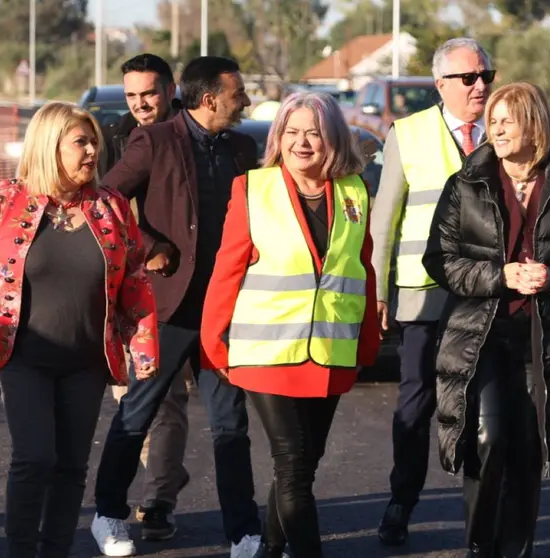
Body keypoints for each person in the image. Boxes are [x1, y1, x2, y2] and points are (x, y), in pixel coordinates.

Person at [90, 56, 263, 558]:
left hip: (224, 311)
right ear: (209, 99)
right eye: (238, 93)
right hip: (166, 310)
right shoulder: (155, 141)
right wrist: (150, 246)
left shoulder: (242, 148)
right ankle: (107, 515)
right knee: (137, 413)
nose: (246, 101)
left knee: (231, 423)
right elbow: (107, 201)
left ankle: (244, 532)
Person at [200, 91, 381, 557]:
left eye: (313, 133)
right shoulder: (252, 188)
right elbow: (228, 268)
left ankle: (269, 549)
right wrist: (213, 342)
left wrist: (367, 342)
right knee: (295, 467)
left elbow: (361, 269)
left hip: (329, 352)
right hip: (268, 352)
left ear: (333, 139)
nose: (302, 143)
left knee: (300, 468)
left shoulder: (354, 191)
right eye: (292, 132)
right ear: (278, 139)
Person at [423, 81, 550, 557]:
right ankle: (481, 546)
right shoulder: (466, 183)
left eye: (507, 121)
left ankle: (519, 549)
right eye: (492, 121)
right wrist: (499, 275)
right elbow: (439, 260)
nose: (496, 130)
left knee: (529, 445)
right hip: (481, 334)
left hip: (541, 337)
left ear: (534, 125)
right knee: (489, 438)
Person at [0, 101, 159, 558]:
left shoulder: (112, 207)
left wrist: (142, 350)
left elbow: (135, 283)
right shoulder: (5, 201)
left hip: (87, 360)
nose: (92, 152)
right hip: (22, 357)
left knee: (70, 467)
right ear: (49, 146)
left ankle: (55, 551)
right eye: (80, 142)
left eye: (93, 142)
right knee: (35, 458)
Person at [370, 36, 494, 546]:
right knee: (416, 403)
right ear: (441, 84)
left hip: (487, 292)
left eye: (486, 74)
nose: (480, 85)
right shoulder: (409, 133)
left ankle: (480, 515)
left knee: (481, 406)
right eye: (468, 78)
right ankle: (402, 500)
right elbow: (385, 217)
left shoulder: (504, 129)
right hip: (423, 292)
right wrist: (378, 290)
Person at [103, 52, 192, 542]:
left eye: (149, 93)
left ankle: (159, 498)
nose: (140, 104)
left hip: (176, 291)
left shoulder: (191, 136)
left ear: (171, 89)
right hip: (127, 286)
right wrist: (148, 247)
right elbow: (104, 204)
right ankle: (165, 470)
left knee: (169, 397)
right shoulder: (114, 138)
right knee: (131, 396)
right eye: (132, 95)